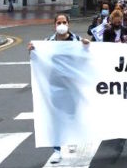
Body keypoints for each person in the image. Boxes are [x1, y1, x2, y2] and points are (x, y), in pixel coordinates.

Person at [27, 13, 90, 163]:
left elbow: (88, 58)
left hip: (73, 85)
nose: (61, 25)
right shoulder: (47, 42)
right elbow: (38, 58)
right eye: (59, 22)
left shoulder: (77, 41)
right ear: (54, 25)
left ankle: (73, 137)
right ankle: (56, 150)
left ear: (68, 24)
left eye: (64, 22)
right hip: (54, 84)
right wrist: (32, 50)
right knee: (55, 117)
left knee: (73, 114)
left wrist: (87, 47)